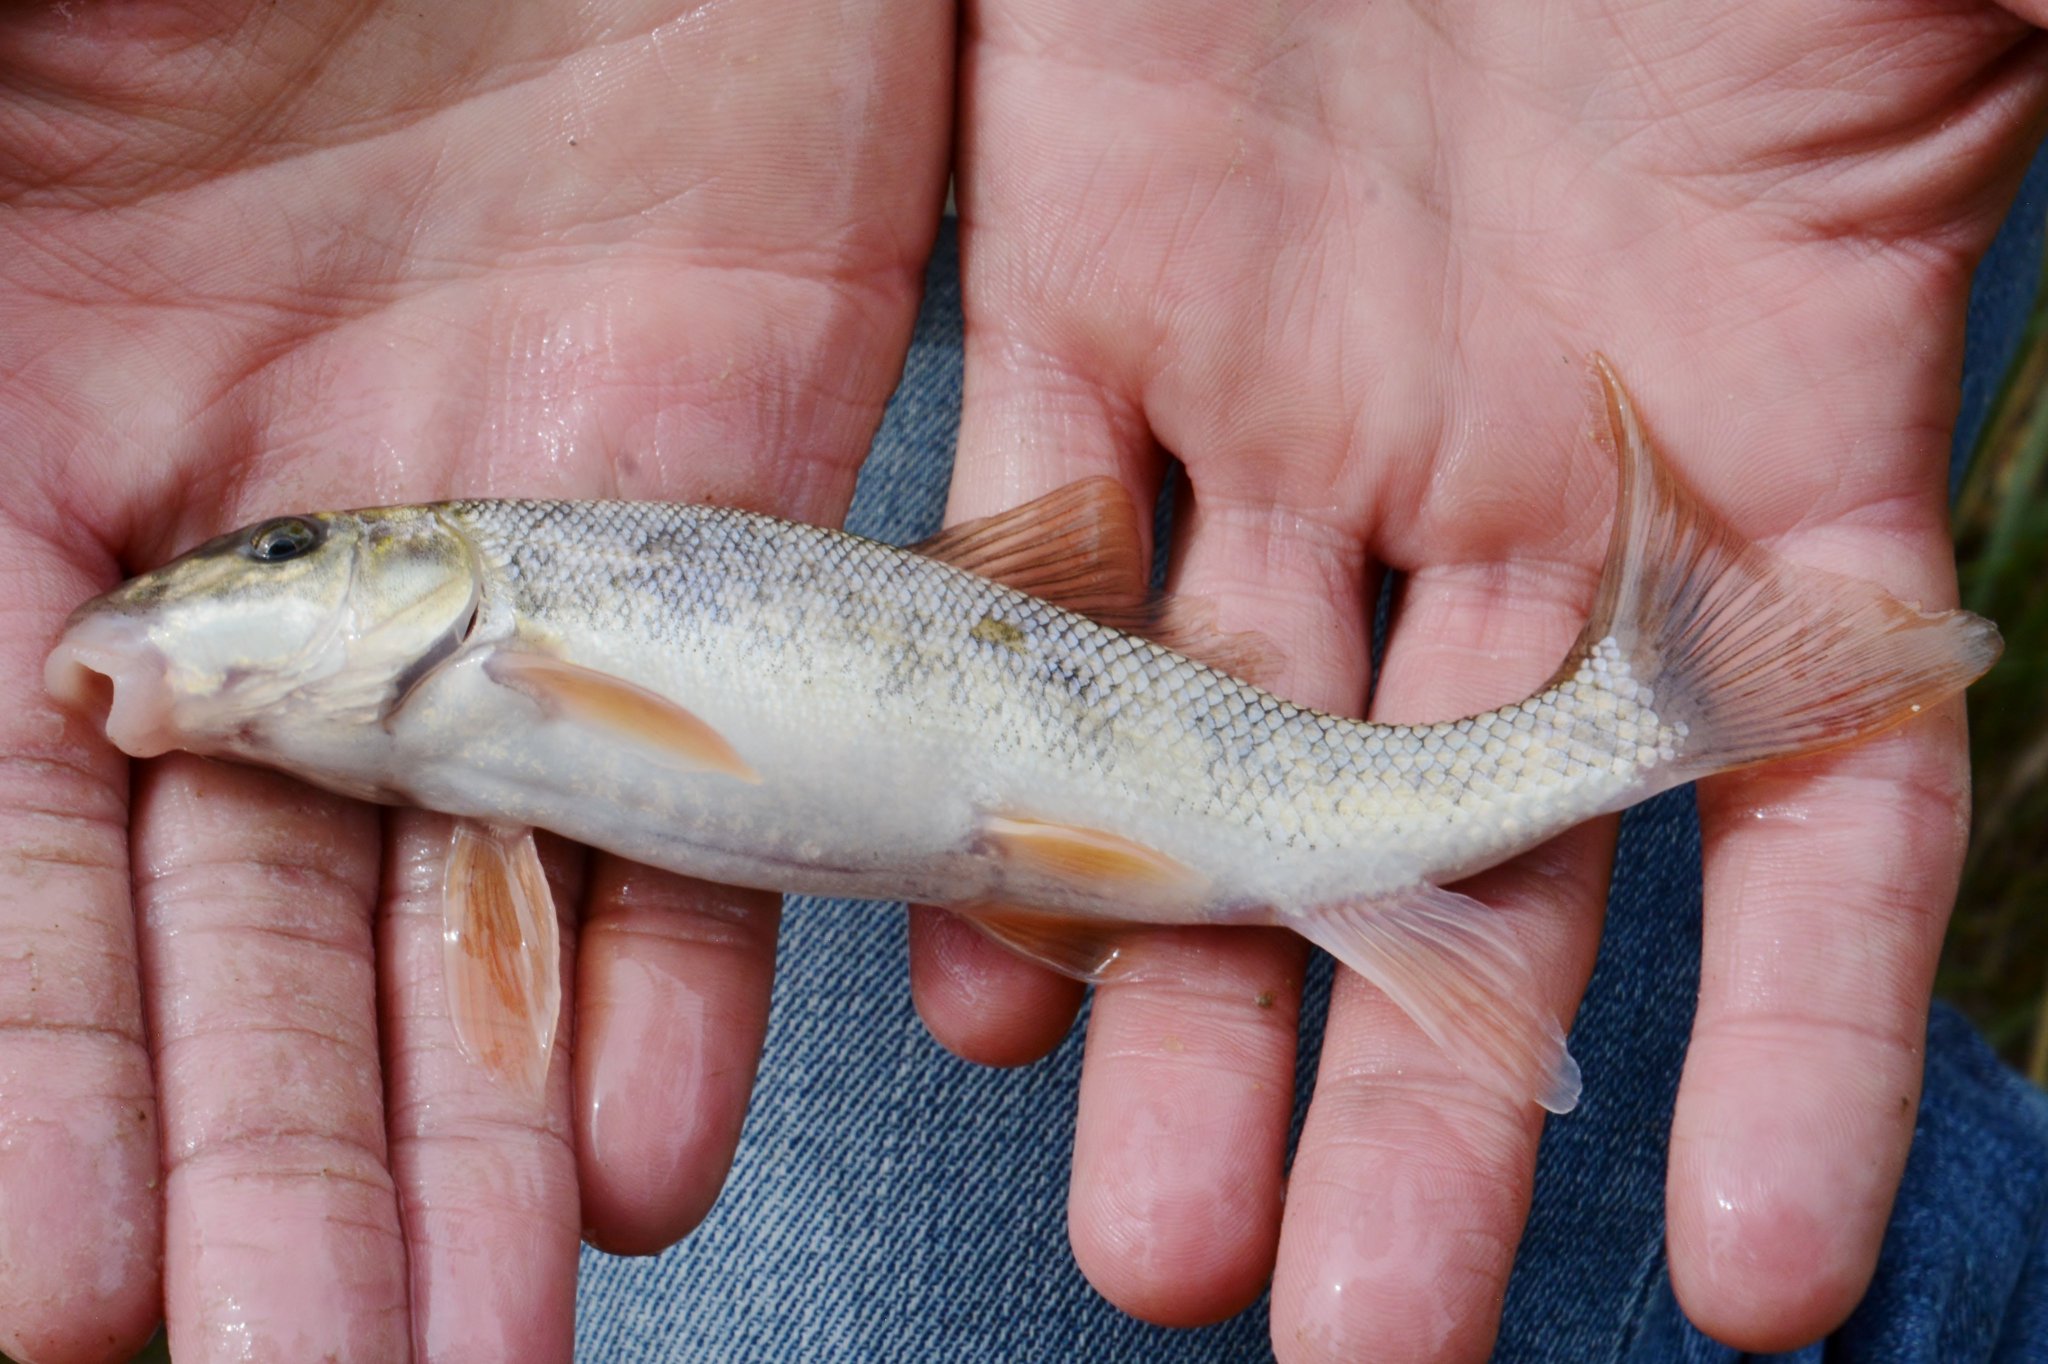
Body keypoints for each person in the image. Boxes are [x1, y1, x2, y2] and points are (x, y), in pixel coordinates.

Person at [1, 2, 2044, 1361]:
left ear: (390, 574)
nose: (241, 594)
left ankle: (1652, 716)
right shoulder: (451, 736)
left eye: (276, 559)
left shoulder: (504, 607)